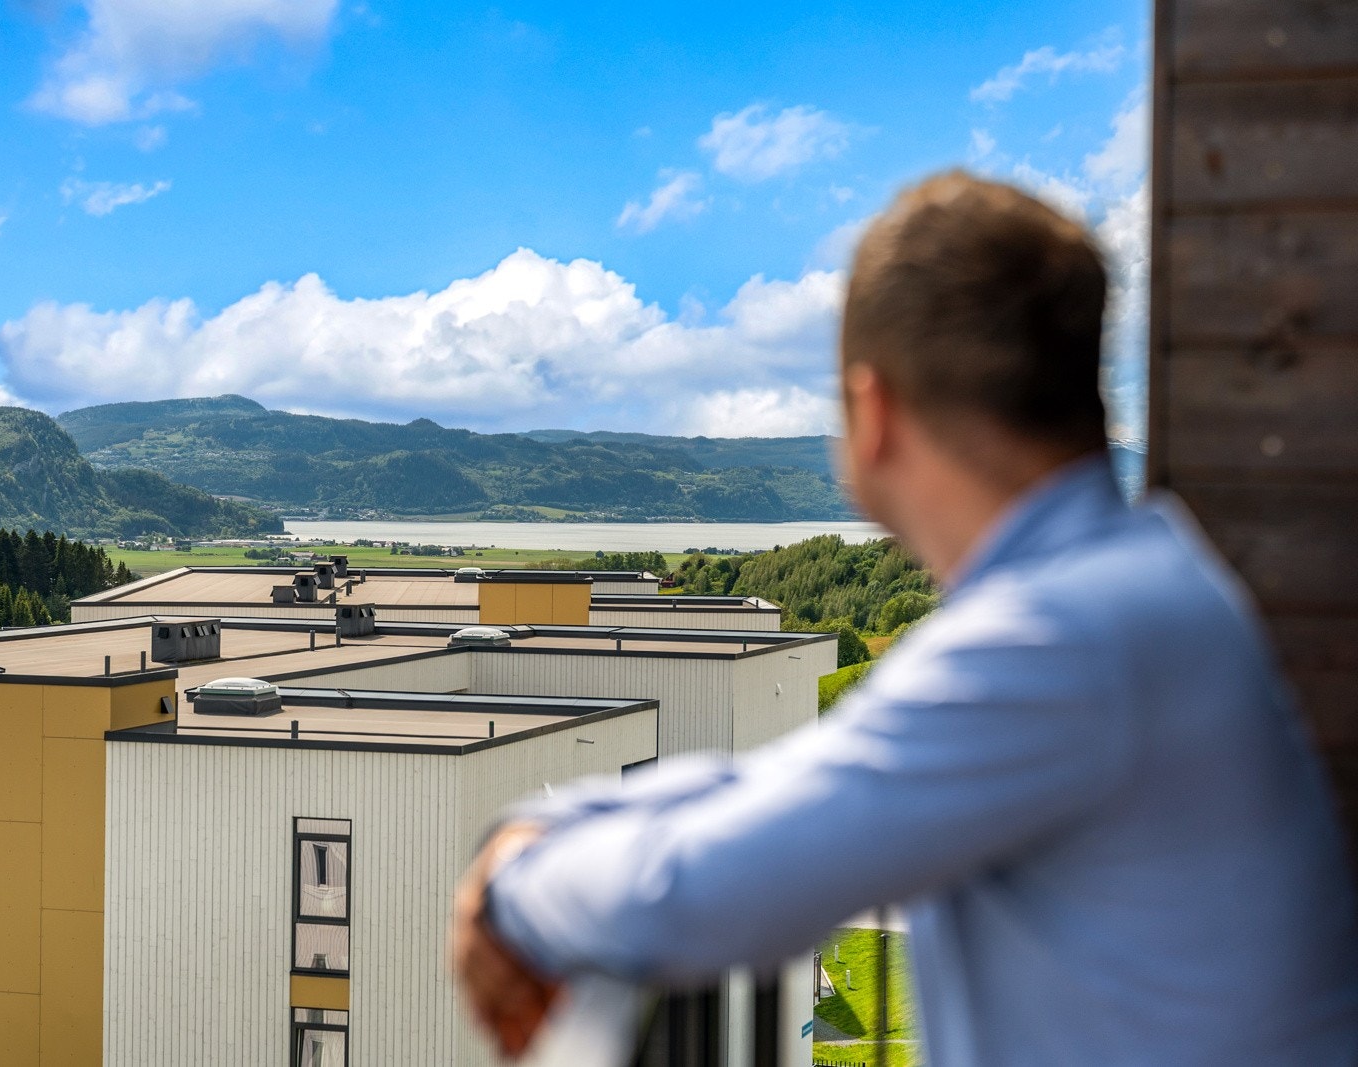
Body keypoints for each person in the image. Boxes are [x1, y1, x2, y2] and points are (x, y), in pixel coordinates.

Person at [452, 171, 1358, 1065]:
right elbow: (794, 786)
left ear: (872, 409)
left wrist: (509, 888)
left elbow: (692, 895)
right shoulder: (1142, 580)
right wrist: (545, 826)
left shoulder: (1053, 637)